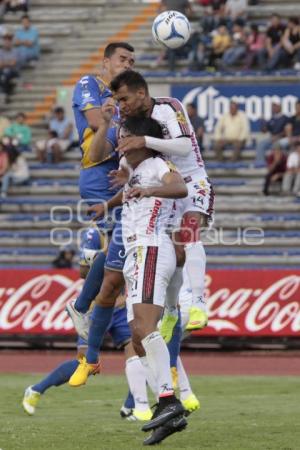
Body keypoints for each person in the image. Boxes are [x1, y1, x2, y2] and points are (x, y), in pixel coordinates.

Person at [69, 116, 188, 445]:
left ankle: (169, 401)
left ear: (141, 140)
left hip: (151, 249)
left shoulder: (156, 164)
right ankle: (168, 406)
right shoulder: (130, 166)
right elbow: (129, 193)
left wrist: (148, 188)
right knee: (138, 338)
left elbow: (180, 187)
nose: (119, 141)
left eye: (124, 136)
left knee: (144, 329)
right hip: (136, 255)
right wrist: (107, 204)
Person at [255, 101, 289, 166]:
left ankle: (277, 164)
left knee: (276, 145)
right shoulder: (272, 119)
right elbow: (264, 130)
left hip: (282, 139)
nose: (274, 108)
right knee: (261, 144)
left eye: (275, 106)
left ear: (280, 107)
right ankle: (260, 163)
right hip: (272, 138)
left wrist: (277, 136)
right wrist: (262, 121)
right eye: (273, 107)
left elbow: (286, 131)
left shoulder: (285, 118)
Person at [0, 31, 20, 102]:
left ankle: (5, 94)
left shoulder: (15, 51)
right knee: (4, 75)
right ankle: (6, 94)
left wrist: (4, 63)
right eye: (6, 40)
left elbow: (13, 63)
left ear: (11, 42)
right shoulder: (1, 51)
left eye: (9, 40)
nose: (7, 42)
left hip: (13, 72)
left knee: (5, 75)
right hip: (3, 71)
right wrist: (8, 63)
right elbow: (0, 65)